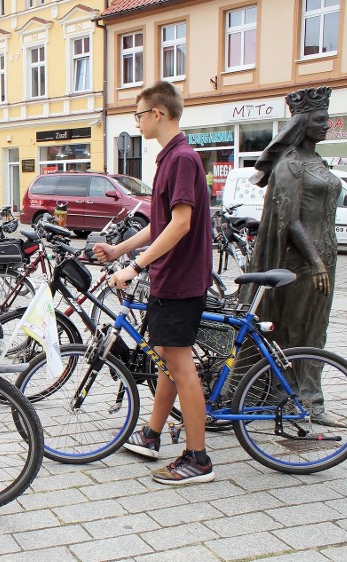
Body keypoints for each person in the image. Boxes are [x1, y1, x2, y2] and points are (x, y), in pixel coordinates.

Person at [93, 80, 214, 485]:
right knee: (167, 360)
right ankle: (151, 434)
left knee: (180, 366)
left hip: (179, 279)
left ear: (157, 114)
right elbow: (157, 225)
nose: (137, 122)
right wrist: (119, 250)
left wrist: (136, 267)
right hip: (171, 278)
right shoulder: (169, 159)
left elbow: (181, 224)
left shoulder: (180, 159)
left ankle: (198, 459)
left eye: (139, 114)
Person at [246, 86, 344, 427]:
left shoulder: (319, 162)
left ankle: (312, 400)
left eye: (327, 118)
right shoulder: (291, 165)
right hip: (301, 263)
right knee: (293, 332)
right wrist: (315, 262)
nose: (327, 124)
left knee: (316, 330)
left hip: (325, 258)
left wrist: (324, 261)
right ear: (303, 123)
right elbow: (290, 220)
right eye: (320, 119)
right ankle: (286, 396)